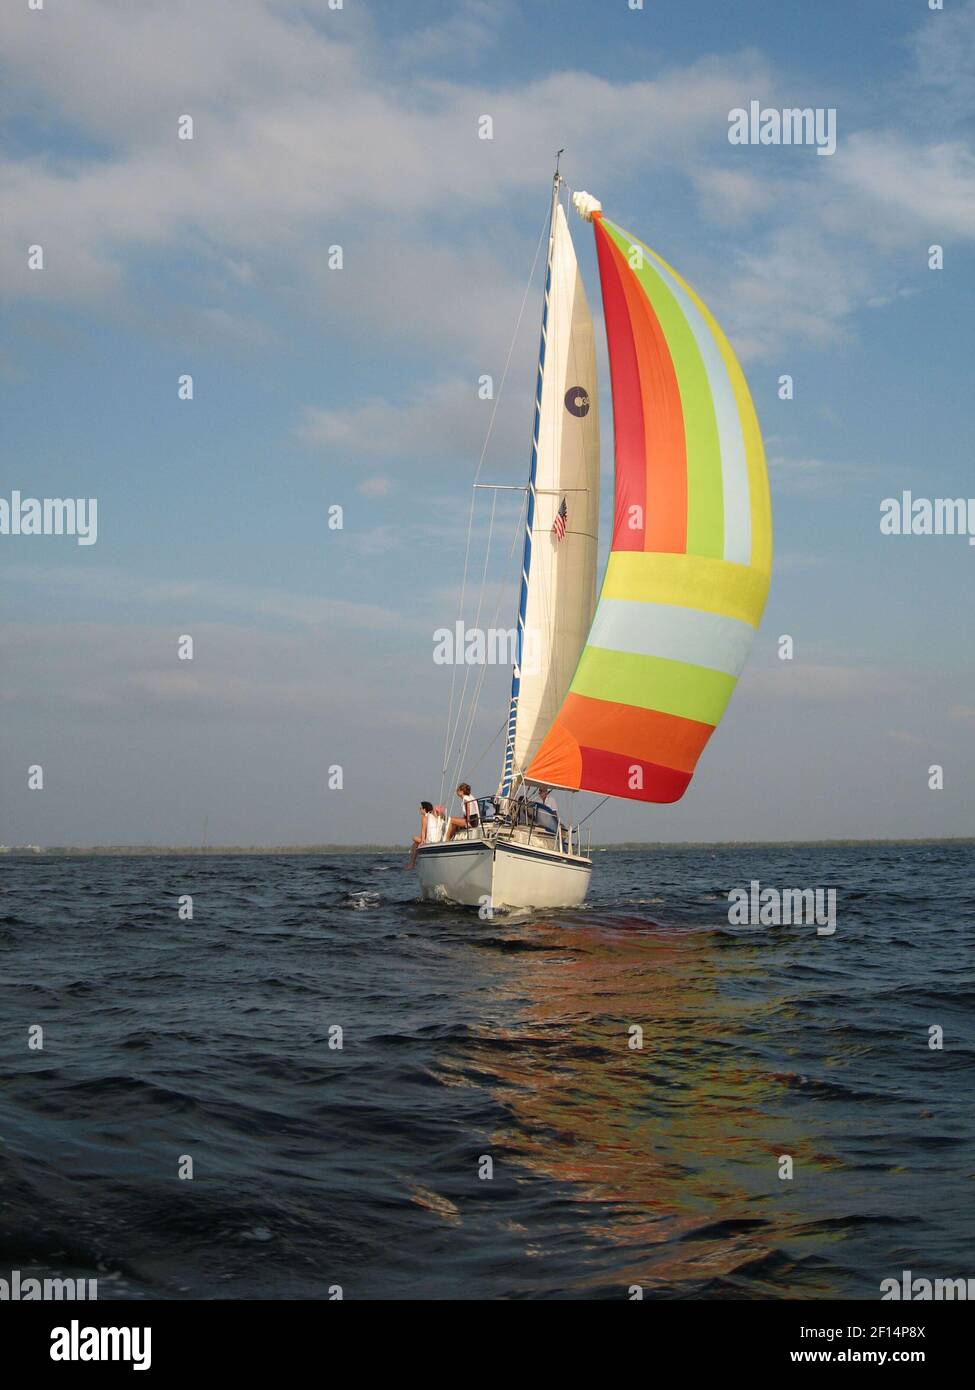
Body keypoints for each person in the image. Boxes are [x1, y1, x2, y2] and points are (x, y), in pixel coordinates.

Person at [408, 800, 441, 869]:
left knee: (414, 839)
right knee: (415, 843)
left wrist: (422, 841)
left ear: (424, 809)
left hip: (430, 841)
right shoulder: (432, 816)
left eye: (420, 808)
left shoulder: (424, 818)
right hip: (437, 839)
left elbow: (423, 831)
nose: (419, 810)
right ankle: (412, 863)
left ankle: (412, 863)